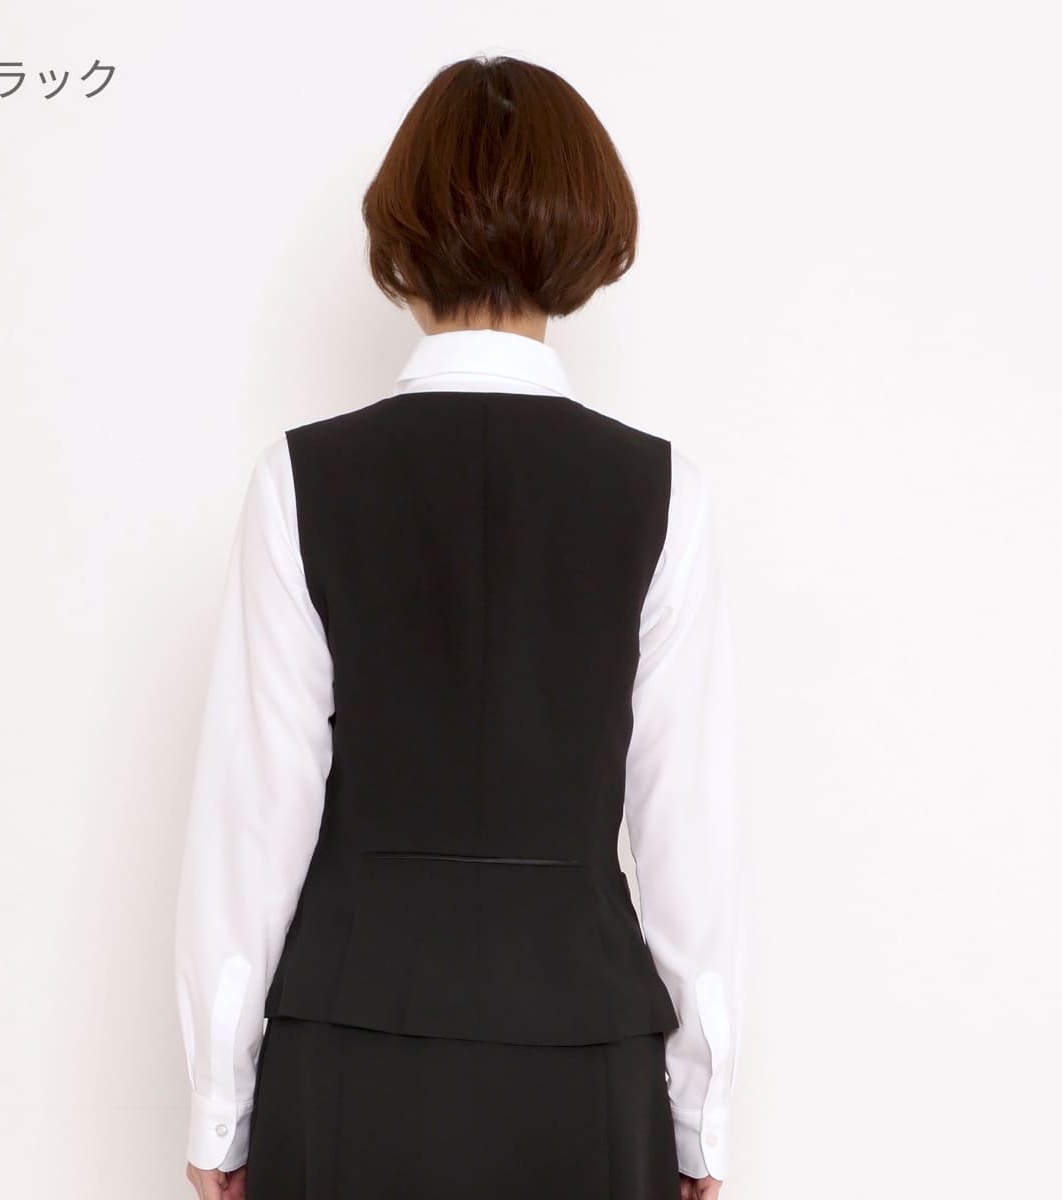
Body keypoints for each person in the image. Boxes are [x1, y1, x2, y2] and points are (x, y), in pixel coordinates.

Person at [173, 53, 746, 1200]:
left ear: (404, 230)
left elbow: (255, 817)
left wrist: (218, 1107)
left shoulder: (302, 480)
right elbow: (689, 836)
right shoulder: (660, 491)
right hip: (584, 1063)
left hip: (349, 1053)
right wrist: (703, 1121)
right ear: (584, 231)